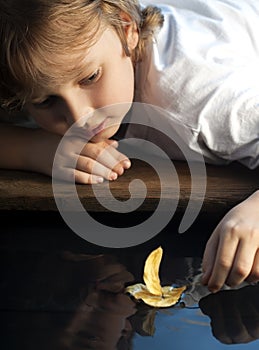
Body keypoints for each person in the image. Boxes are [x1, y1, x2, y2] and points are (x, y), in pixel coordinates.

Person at [0, 0, 259, 293]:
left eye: (90, 78)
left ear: (127, 29)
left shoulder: (198, 99)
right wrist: (32, 148)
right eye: (46, 102)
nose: (79, 117)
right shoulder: (33, 62)